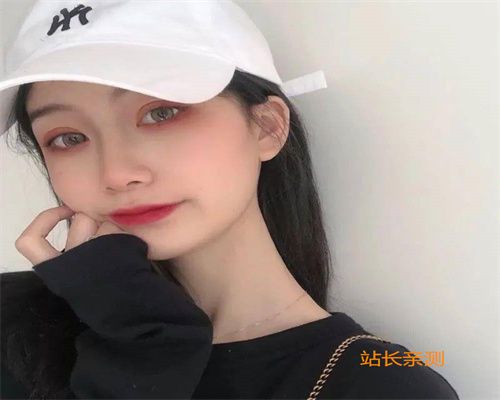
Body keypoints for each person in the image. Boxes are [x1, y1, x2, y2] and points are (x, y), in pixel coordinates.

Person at [0, 1, 459, 399]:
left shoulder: (380, 383)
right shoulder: (12, 324)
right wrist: (143, 345)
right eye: (68, 138)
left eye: (161, 113)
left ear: (267, 127)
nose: (117, 173)